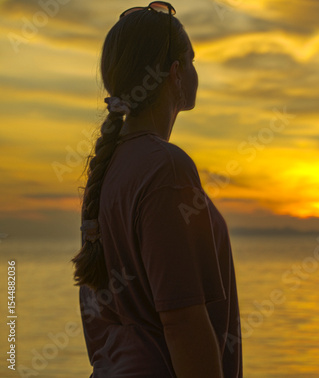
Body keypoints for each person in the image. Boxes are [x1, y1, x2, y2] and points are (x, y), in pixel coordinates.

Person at [70, 2, 242, 377]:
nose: (196, 70)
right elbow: (183, 324)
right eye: (192, 61)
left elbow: (99, 323)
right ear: (175, 74)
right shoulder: (166, 169)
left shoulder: (107, 170)